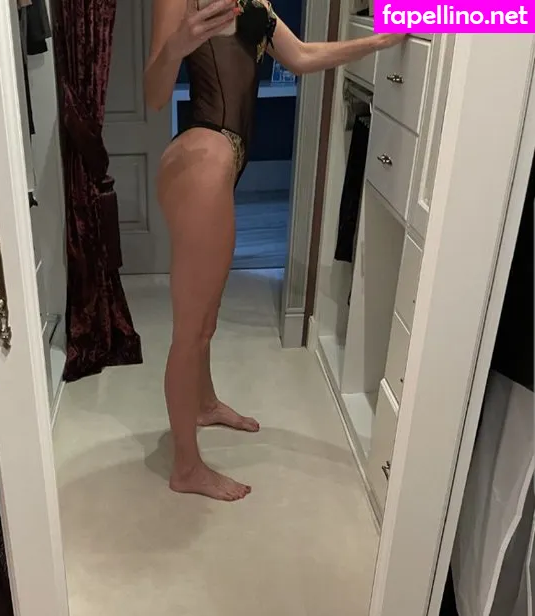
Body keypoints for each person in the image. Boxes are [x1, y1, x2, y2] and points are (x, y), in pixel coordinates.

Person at [145, 0, 405, 501]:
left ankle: (204, 405)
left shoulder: (255, 0)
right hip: (200, 159)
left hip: (224, 157)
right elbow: (155, 96)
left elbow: (301, 56)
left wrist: (378, 41)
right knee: (190, 331)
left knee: (206, 320)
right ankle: (186, 468)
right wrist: (178, 45)